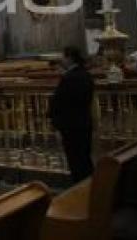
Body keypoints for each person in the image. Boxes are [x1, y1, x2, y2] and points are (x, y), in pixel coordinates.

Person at [49, 46, 95, 183]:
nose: (62, 59)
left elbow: (60, 101)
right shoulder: (86, 74)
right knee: (84, 157)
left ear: (69, 58)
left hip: (70, 125)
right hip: (84, 121)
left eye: (63, 56)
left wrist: (55, 122)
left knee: (75, 160)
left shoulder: (69, 78)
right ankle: (91, 186)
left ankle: (81, 190)